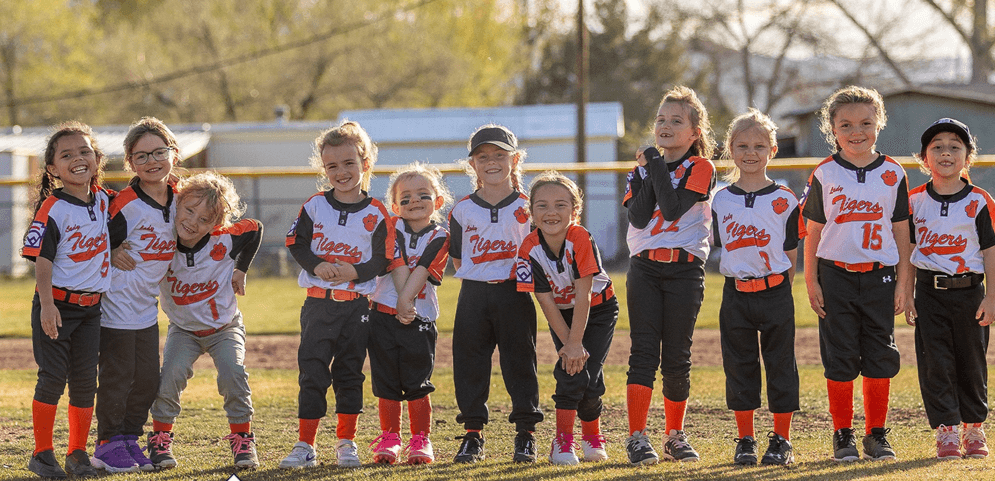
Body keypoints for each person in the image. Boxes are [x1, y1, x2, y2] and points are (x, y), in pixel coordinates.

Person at [801, 85, 911, 462]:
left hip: (880, 275)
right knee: (840, 355)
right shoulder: (825, 172)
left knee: (880, 354)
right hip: (836, 275)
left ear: (879, 123)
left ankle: (876, 434)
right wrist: (811, 278)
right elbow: (813, 231)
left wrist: (905, 282)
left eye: (865, 122)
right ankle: (843, 433)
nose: (856, 132)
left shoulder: (893, 173)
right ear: (833, 128)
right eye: (845, 124)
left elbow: (901, 232)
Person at [280, 121, 394, 469]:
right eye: (332, 166)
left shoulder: (377, 212)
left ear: (366, 162)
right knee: (312, 371)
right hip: (318, 302)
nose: (341, 172)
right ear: (323, 168)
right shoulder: (315, 205)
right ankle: (305, 445)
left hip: (356, 307)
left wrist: (354, 272)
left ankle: (347, 442)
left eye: (349, 163)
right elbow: (294, 243)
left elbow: (383, 258)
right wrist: (316, 264)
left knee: (349, 373)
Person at [622, 85, 716, 465]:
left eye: (677, 121)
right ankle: (637, 437)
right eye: (661, 119)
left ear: (695, 133)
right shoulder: (642, 169)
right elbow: (640, 216)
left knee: (677, 355)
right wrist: (649, 168)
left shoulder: (701, 167)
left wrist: (654, 165)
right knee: (643, 352)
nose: (665, 125)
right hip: (644, 268)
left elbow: (674, 209)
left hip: (684, 270)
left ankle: (675, 435)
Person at [145, 172, 263, 470]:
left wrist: (241, 269)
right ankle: (160, 438)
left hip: (224, 326)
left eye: (205, 219)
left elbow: (256, 228)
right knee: (170, 377)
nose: (193, 222)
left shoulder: (226, 237)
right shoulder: (162, 241)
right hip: (183, 329)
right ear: (177, 205)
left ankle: (243, 439)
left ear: (218, 223)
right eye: (189, 210)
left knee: (233, 375)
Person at [711, 109, 802, 466]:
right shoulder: (720, 198)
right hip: (736, 293)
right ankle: (745, 439)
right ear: (730, 149)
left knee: (781, 365)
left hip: (775, 292)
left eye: (759, 146)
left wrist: (780, 285)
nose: (751, 152)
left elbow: (791, 249)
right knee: (739, 366)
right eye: (743, 145)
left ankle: (781, 439)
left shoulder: (785, 197)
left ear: (773, 150)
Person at [448, 124, 543, 463]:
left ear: (515, 160)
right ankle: (473, 434)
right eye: (483, 157)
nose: (492, 162)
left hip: (513, 292)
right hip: (473, 293)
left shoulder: (529, 206)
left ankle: (526, 434)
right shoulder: (461, 209)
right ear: (472, 164)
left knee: (520, 362)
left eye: (500, 156)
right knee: (470, 363)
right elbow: (458, 256)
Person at [21, 121, 110, 479]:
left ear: (97, 158)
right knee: (53, 379)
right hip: (57, 305)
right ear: (53, 169)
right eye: (66, 154)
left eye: (84, 151)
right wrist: (46, 305)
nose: (78, 158)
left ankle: (77, 454)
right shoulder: (53, 207)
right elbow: (42, 259)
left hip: (91, 310)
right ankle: (42, 454)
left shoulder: (104, 199)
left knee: (86, 381)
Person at [92, 117, 179, 473]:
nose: (152, 161)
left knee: (146, 381)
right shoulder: (125, 202)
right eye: (141, 156)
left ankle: (129, 438)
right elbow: (89, 238)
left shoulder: (183, 198)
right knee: (117, 378)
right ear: (129, 162)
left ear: (174, 152)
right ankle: (106, 443)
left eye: (159, 151)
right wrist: (109, 251)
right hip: (115, 306)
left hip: (146, 308)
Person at [516, 171, 618, 465]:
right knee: (571, 369)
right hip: (560, 312)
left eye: (561, 205)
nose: (551, 212)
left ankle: (591, 436)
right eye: (542, 205)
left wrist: (576, 342)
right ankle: (562, 441)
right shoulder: (528, 249)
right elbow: (545, 301)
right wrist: (568, 345)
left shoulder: (580, 237)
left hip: (597, 309)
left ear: (575, 211)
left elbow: (584, 292)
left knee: (589, 373)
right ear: (530, 212)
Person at [907, 118, 994, 460]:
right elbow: (905, 252)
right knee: (935, 361)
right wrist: (907, 292)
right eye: (937, 147)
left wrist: (991, 295)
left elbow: (990, 250)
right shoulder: (914, 201)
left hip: (970, 290)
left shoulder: (979, 200)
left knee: (971, 360)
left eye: (955, 146)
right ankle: (946, 429)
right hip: (929, 291)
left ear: (968, 158)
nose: (946, 152)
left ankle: (973, 427)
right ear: (924, 158)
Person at [366, 162, 452, 465]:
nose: (414, 201)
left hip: (420, 318)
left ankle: (420, 439)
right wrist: (403, 303)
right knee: (386, 381)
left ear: (438, 201)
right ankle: (390, 438)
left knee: (417, 382)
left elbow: (423, 268)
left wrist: (406, 303)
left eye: (422, 195)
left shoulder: (441, 236)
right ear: (394, 206)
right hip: (383, 316)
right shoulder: (391, 226)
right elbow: (397, 260)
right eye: (405, 198)